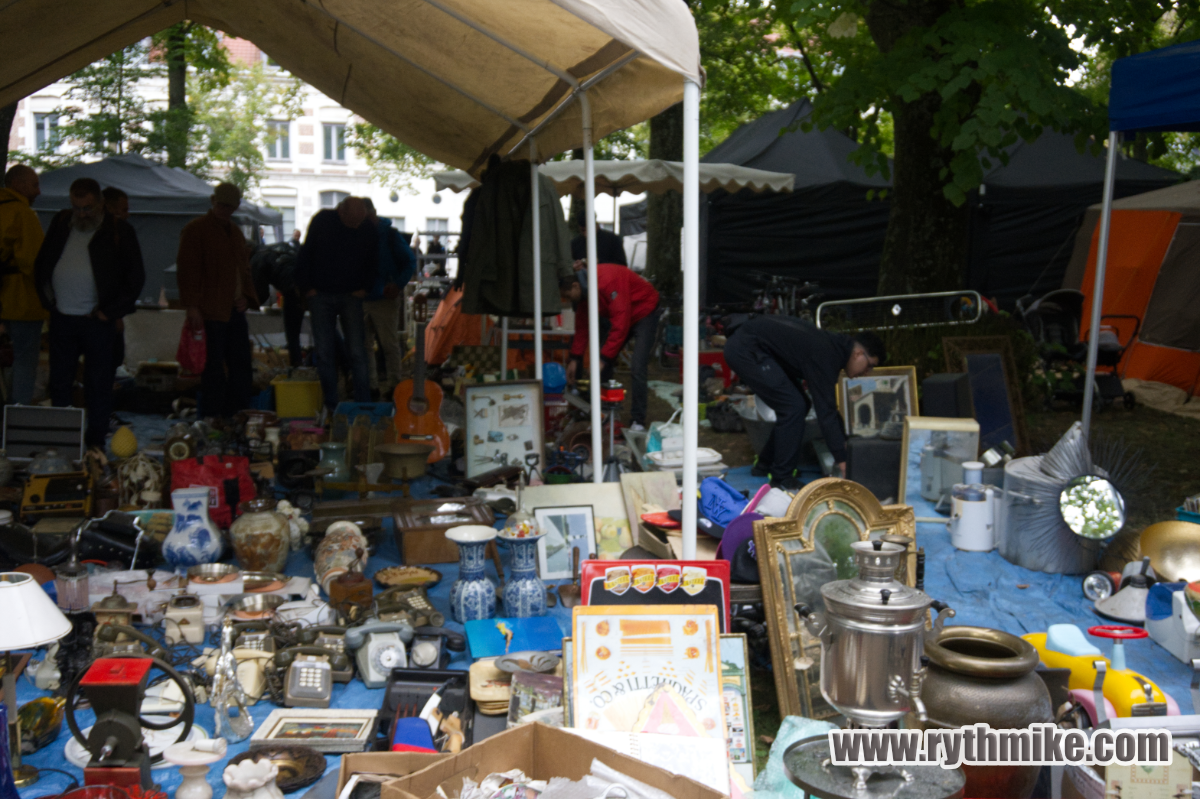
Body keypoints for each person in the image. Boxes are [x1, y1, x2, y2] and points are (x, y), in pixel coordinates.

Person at [34, 177, 144, 450]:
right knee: (60, 384)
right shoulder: (61, 223)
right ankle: (62, 445)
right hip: (63, 317)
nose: (82, 214)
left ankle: (95, 445)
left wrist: (111, 311)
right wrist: (48, 300)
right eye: (76, 208)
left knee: (98, 384)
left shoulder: (119, 231)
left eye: (87, 208)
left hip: (96, 320)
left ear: (101, 204)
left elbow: (135, 277)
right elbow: (42, 263)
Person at [722, 316, 885, 490]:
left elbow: (828, 407)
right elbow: (826, 414)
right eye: (869, 366)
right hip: (745, 349)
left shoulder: (834, 349)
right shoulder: (828, 354)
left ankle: (765, 464)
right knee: (793, 407)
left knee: (800, 405)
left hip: (752, 345)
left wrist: (844, 445)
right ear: (858, 354)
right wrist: (844, 463)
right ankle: (781, 477)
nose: (867, 373)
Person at [176, 182, 259, 419]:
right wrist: (192, 306)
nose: (225, 210)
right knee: (213, 370)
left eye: (230, 206)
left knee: (241, 367)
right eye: (222, 205)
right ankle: (213, 420)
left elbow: (243, 270)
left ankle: (239, 416)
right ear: (213, 201)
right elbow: (187, 270)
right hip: (209, 311)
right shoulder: (195, 230)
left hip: (233, 310)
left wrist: (245, 297)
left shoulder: (234, 232)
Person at [295, 196, 377, 412]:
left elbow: (373, 258)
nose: (356, 226)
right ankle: (332, 406)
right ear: (341, 212)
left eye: (360, 221)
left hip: (351, 294)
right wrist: (307, 288)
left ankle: (363, 405)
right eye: (353, 222)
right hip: (321, 293)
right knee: (324, 352)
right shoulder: (322, 221)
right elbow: (306, 253)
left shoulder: (365, 226)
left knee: (358, 351)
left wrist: (366, 287)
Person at [560, 264, 661, 431]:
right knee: (603, 361)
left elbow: (620, 323)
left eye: (568, 296)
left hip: (645, 311)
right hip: (624, 314)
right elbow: (583, 326)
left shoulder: (607, 281)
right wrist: (575, 359)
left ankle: (638, 420)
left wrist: (603, 359)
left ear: (575, 286)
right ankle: (603, 409)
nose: (570, 301)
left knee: (637, 365)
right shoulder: (585, 293)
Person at [0, 164, 48, 405]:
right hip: (21, 301)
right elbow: (33, 261)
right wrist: (49, 298)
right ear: (18, 185)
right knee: (25, 360)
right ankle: (16, 416)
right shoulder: (23, 214)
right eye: (35, 185)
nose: (38, 191)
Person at [361, 199, 415, 398]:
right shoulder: (361, 233)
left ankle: (393, 385)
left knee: (388, 344)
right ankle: (373, 386)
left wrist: (398, 284)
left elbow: (410, 261)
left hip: (383, 297)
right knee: (367, 345)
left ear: (371, 213)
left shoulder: (390, 235)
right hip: (364, 297)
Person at [102, 187, 131, 370]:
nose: (127, 215)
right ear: (110, 208)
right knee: (109, 358)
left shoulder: (120, 235)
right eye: (124, 210)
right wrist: (116, 314)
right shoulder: (112, 237)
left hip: (109, 310)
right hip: (107, 312)